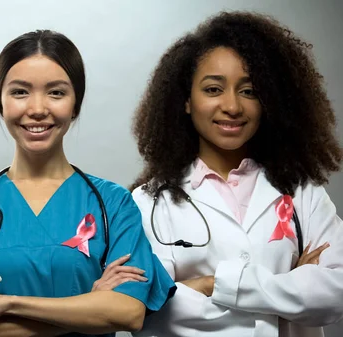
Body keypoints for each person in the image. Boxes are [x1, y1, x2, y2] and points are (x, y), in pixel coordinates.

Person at [0, 30, 176, 337]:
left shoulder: (113, 203)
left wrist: (5, 304)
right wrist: (88, 307)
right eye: (20, 92)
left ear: (75, 105)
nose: (38, 108)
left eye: (56, 93)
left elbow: (128, 312)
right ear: (0, 103)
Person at [130, 11, 343, 337]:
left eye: (249, 91)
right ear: (187, 100)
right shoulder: (149, 202)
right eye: (213, 89)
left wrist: (213, 285)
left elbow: (336, 293)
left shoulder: (303, 192)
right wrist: (288, 288)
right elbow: (148, 312)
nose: (232, 106)